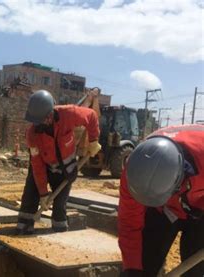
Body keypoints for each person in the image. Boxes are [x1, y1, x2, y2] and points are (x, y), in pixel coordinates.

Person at [118, 124, 204, 277]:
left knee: (196, 268)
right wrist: (132, 268)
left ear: (181, 177)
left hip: (200, 206)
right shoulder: (134, 173)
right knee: (142, 263)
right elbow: (129, 223)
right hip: (164, 210)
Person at [17, 90, 101, 234]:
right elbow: (37, 166)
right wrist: (43, 194)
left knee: (60, 203)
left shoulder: (68, 114)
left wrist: (93, 140)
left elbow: (91, 116)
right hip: (43, 165)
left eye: (40, 121)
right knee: (31, 194)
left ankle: (59, 229)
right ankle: (24, 226)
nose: (37, 125)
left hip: (65, 167)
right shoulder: (32, 134)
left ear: (50, 115)